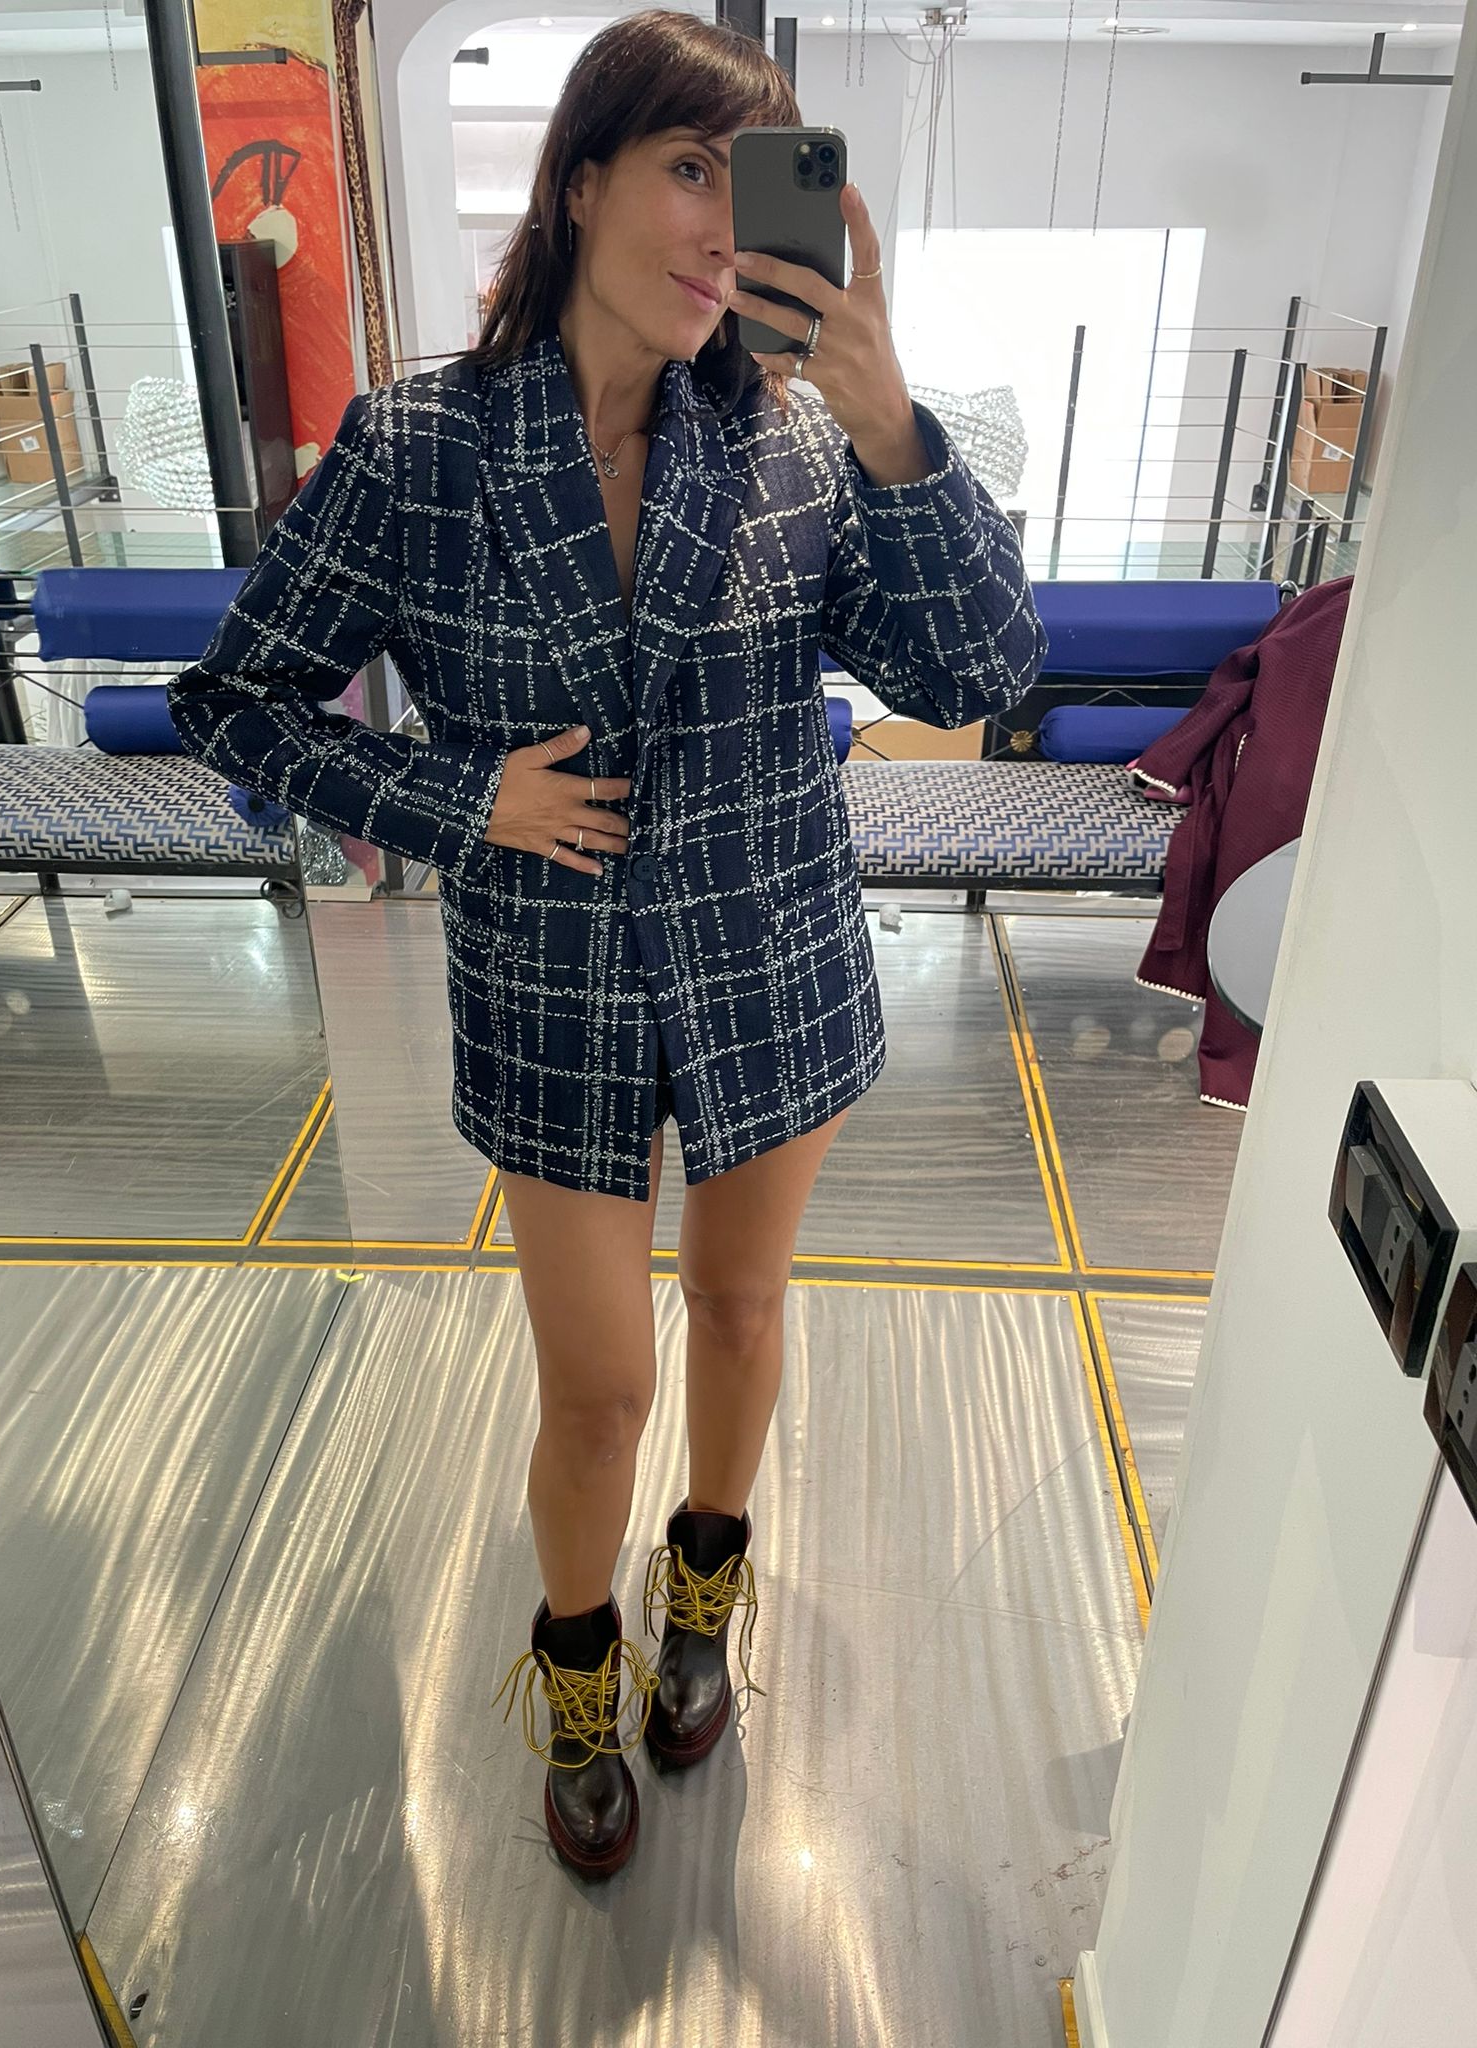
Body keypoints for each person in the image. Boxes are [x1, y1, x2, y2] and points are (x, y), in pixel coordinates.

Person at [166, 9, 1046, 1882]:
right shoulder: (423, 444)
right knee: (598, 1392)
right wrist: (455, 799)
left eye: (755, 183)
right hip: (551, 990)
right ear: (579, 186)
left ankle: (702, 1595)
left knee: (740, 1311)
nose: (725, 228)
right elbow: (233, 701)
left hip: (771, 965)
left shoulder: (802, 442)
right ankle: (577, 1667)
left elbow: (978, 670)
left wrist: (895, 420)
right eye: (687, 170)